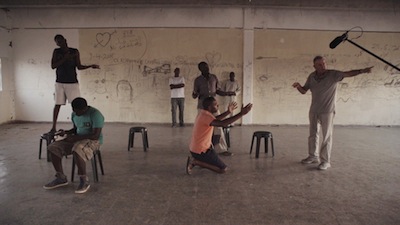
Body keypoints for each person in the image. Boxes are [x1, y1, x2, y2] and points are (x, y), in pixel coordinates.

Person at [292, 55, 373, 170]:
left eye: (324, 63)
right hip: (314, 110)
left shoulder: (333, 75)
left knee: (326, 137)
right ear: (314, 66)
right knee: (313, 135)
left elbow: (348, 73)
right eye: (320, 64)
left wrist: (362, 71)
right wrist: (298, 86)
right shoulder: (312, 76)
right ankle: (313, 156)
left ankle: (326, 161)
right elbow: (304, 91)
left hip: (327, 111)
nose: (323, 65)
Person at [43, 97, 104, 194]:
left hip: (93, 141)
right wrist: (66, 132)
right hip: (78, 137)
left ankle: (84, 180)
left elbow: (95, 135)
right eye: (73, 110)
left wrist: (75, 138)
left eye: (78, 111)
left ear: (84, 109)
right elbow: (76, 129)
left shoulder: (95, 114)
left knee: (77, 149)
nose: (75, 113)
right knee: (53, 147)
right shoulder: (74, 114)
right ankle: (61, 178)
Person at [186, 97, 252, 174]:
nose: (218, 106)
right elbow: (222, 124)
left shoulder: (203, 113)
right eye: (215, 105)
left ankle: (198, 160)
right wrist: (241, 114)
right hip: (201, 151)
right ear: (209, 107)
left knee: (216, 142)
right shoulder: (206, 116)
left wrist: (228, 112)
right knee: (223, 169)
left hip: (195, 149)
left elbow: (216, 119)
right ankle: (195, 162)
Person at [49, 34, 100, 134]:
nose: (60, 43)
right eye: (58, 42)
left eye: (61, 41)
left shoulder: (74, 51)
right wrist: (64, 58)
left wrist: (90, 66)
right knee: (57, 104)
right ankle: (53, 127)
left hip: (72, 82)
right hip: (60, 82)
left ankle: (75, 127)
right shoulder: (57, 52)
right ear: (56, 43)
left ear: (65, 40)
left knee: (76, 105)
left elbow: (79, 66)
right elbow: (53, 66)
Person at [192, 61, 233, 156]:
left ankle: (222, 149)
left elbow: (218, 90)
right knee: (203, 130)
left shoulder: (213, 77)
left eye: (207, 67)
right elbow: (194, 95)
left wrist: (227, 93)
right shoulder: (197, 80)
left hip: (213, 107)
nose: (207, 69)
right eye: (204, 68)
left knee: (218, 127)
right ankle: (203, 149)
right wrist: (195, 94)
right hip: (202, 107)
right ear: (200, 69)